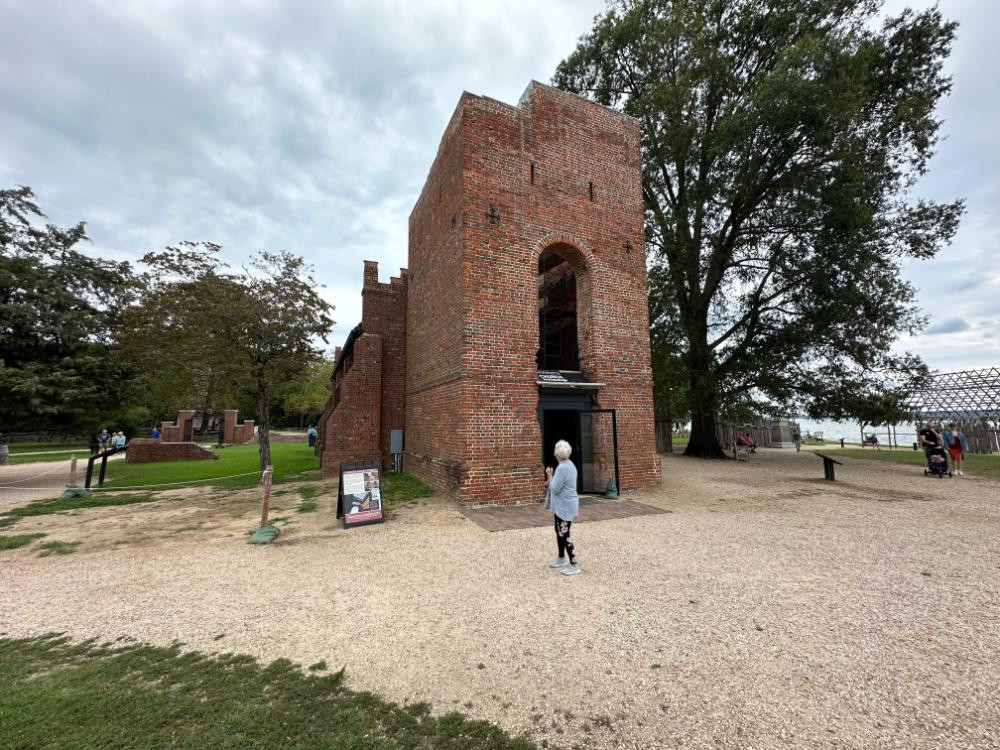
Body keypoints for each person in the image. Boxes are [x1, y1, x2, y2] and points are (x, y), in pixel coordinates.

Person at [545, 439, 580, 576]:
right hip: (566, 504)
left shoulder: (562, 468)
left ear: (556, 454)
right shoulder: (570, 465)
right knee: (559, 530)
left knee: (564, 533)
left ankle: (574, 563)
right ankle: (561, 558)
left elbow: (555, 487)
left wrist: (549, 475)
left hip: (564, 506)